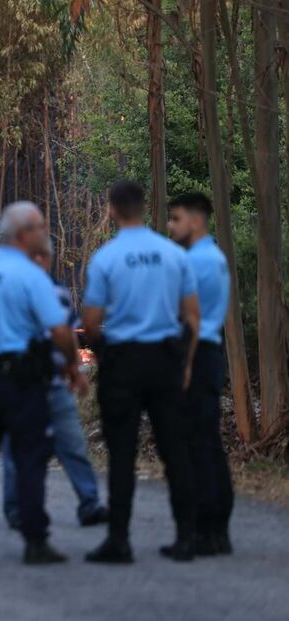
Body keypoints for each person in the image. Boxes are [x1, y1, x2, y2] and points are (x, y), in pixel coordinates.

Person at [0, 201, 88, 566]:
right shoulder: (31, 276)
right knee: (30, 459)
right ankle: (35, 542)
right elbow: (59, 329)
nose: (45, 233)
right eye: (41, 227)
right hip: (21, 382)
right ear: (25, 234)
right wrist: (73, 365)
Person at [82, 180, 200, 564]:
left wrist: (104, 350)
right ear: (145, 208)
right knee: (176, 451)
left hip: (123, 361)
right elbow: (192, 315)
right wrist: (183, 362)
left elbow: (92, 319)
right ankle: (186, 537)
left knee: (121, 452)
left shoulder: (106, 258)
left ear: (112, 210)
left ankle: (119, 540)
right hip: (165, 359)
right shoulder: (173, 255)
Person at [1, 240, 108, 530]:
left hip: (53, 381)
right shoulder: (10, 291)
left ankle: (90, 502)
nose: (41, 261)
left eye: (44, 255)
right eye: (36, 255)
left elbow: (68, 333)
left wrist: (73, 369)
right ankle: (15, 508)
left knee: (72, 443)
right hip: (21, 381)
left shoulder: (58, 290)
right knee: (17, 448)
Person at [167, 191, 234, 556]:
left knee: (197, 443)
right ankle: (217, 527)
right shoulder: (213, 257)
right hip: (208, 351)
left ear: (195, 220)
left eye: (176, 218)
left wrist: (185, 365)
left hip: (195, 351)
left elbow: (187, 318)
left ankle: (205, 529)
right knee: (208, 440)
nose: (171, 226)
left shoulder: (196, 262)